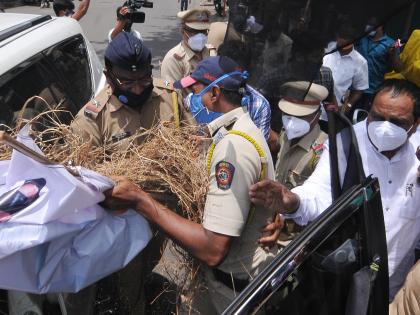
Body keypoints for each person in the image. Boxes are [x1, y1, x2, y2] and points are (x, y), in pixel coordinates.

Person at [104, 56, 281, 313]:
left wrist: (141, 199)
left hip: (233, 293)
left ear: (215, 93)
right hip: (220, 283)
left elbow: (212, 249)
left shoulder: (233, 150)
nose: (189, 100)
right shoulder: (234, 132)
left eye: (195, 92)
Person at [249, 79, 420, 300]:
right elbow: (319, 193)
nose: (384, 127)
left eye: (397, 122)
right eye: (377, 117)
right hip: (343, 282)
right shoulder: (347, 143)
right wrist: (293, 201)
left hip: (394, 289)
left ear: (415, 124)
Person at [71, 32, 185, 147]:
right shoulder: (91, 121)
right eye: (127, 83)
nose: (137, 90)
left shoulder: (171, 96)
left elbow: (193, 142)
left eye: (143, 79)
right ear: (108, 77)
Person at [275, 81, 328, 244]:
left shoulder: (324, 150)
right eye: (287, 115)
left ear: (317, 115)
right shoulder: (285, 134)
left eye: (299, 117)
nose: (290, 122)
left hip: (295, 239)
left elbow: (321, 206)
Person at [355, 17, 404, 110]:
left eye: (371, 24)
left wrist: (393, 54)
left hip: (371, 89)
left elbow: (399, 69)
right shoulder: (361, 39)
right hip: (354, 87)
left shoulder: (390, 44)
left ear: (380, 26)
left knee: (360, 118)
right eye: (367, 24)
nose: (367, 27)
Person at [323, 25, 369, 114]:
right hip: (312, 105)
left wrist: (348, 106)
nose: (343, 41)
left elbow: (359, 89)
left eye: (348, 39)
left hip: (333, 111)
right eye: (341, 37)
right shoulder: (326, 50)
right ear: (337, 37)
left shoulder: (360, 62)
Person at [161, 9, 211, 85]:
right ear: (182, 31)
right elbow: (170, 89)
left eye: (203, 31)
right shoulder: (173, 60)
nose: (200, 36)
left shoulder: (212, 53)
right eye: (194, 31)